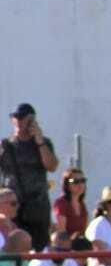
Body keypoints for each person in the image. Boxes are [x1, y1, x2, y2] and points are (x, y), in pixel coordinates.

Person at [1, 103, 58, 250]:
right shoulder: (6, 145)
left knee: (38, 247)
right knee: (14, 244)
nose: (18, 121)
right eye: (15, 118)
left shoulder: (44, 143)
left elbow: (51, 166)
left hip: (37, 205)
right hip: (13, 206)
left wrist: (39, 141)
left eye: (22, 118)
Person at [52, 166, 89, 239]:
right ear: (66, 184)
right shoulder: (61, 203)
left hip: (79, 245)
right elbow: (61, 232)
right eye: (75, 181)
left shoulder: (82, 205)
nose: (80, 184)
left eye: (83, 180)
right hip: (64, 246)